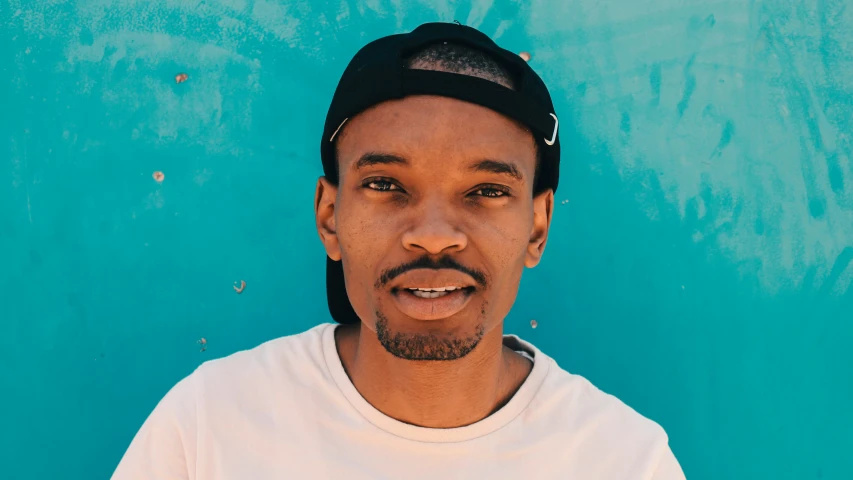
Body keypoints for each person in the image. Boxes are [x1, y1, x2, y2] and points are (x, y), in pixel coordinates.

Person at [112, 22, 686, 479]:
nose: (434, 235)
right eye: (386, 185)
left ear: (537, 228)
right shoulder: (209, 428)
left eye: (486, 191)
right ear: (329, 216)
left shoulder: (625, 462)